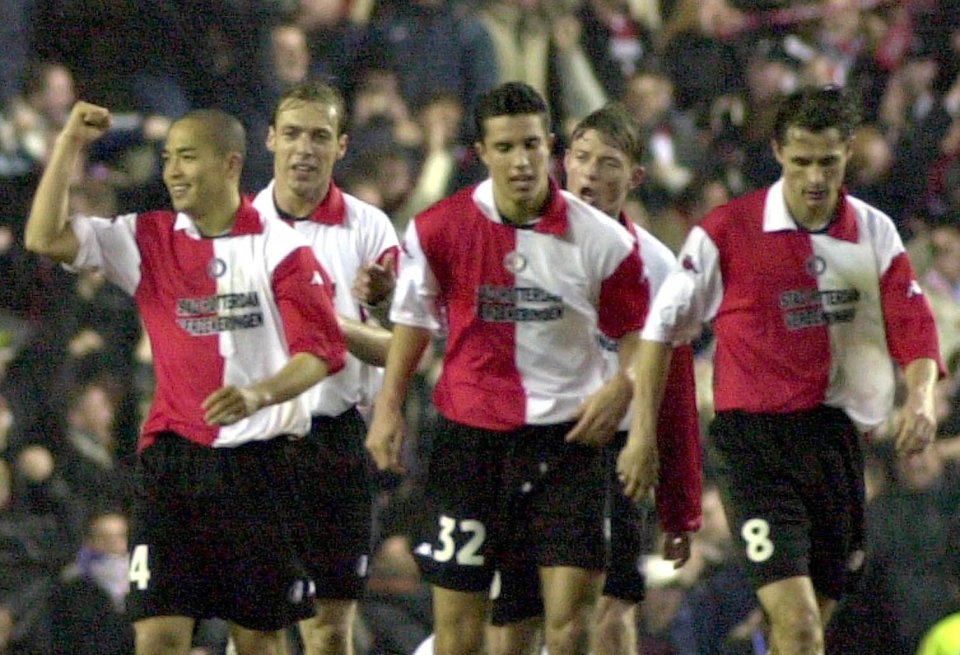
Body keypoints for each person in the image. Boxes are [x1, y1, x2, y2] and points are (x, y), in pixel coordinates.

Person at [619, 85, 943, 655]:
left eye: (828, 162)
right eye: (801, 162)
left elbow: (913, 324)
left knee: (812, 619)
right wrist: (645, 434)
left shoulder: (873, 231)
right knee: (798, 626)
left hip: (837, 445)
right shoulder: (726, 231)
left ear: (848, 153)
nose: (815, 177)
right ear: (777, 152)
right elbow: (660, 332)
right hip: (755, 447)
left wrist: (919, 399)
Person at [24, 101, 348, 655]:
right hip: (174, 464)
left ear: (229, 164)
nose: (172, 170)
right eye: (169, 158)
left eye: (188, 157)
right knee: (157, 634)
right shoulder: (146, 238)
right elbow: (43, 238)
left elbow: (321, 351)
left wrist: (257, 393)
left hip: (263, 462)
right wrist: (69, 145)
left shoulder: (283, 248)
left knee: (259, 639)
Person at [366, 81, 651, 655]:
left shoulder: (603, 240)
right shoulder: (438, 228)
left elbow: (641, 336)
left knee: (569, 626)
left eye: (531, 145)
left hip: (570, 445)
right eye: (505, 148)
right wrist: (388, 410)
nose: (521, 162)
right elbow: (414, 323)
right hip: (471, 444)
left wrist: (624, 387)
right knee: (460, 631)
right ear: (482, 152)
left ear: (550, 145)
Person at [485, 103, 702, 655]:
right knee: (516, 613)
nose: (590, 174)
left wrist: (680, 504)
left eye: (608, 163)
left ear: (634, 177)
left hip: (614, 453)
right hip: (526, 440)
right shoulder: (521, 243)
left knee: (608, 611)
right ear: (562, 161)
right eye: (581, 158)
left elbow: (674, 387)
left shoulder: (656, 266)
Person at [251, 80, 399, 655]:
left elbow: (401, 349)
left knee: (330, 628)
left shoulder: (369, 229)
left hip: (335, 438)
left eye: (318, 136)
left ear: (341, 145)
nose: (303, 148)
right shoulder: (237, 227)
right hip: (256, 441)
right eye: (291, 134)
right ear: (270, 140)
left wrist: (341, 315)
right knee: (258, 626)